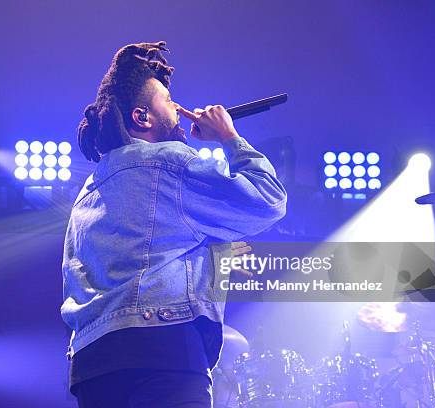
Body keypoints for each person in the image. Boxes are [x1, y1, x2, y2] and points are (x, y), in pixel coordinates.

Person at [61, 41, 287, 407]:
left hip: (92, 362)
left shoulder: (88, 190)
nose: (181, 112)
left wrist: (216, 253)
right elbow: (268, 200)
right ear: (142, 117)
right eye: (170, 103)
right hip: (164, 348)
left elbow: (145, 256)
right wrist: (229, 137)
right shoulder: (170, 163)